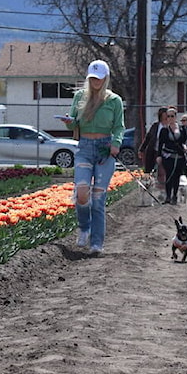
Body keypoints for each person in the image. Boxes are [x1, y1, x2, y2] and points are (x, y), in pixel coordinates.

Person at [60, 59, 124, 255]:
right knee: (81, 191)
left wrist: (116, 144)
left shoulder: (114, 101)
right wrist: (68, 122)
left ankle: (97, 243)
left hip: (105, 149)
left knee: (98, 198)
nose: (96, 81)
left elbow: (119, 126)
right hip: (85, 148)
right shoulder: (79, 96)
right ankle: (84, 227)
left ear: (105, 78)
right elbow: (74, 124)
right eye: (92, 78)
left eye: (99, 78)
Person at [156, 108, 187, 204]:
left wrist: (185, 146)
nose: (170, 118)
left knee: (177, 176)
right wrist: (159, 156)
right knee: (169, 176)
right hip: (168, 156)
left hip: (179, 156)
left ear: (175, 117)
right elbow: (160, 144)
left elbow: (185, 140)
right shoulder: (164, 130)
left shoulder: (182, 129)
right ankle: (168, 196)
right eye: (168, 116)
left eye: (172, 116)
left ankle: (174, 196)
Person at [140, 107, 168, 175]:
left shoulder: (170, 126)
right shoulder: (155, 125)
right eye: (163, 115)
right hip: (153, 149)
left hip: (165, 151)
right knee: (149, 168)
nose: (164, 117)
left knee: (163, 169)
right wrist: (141, 149)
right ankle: (148, 181)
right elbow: (148, 137)